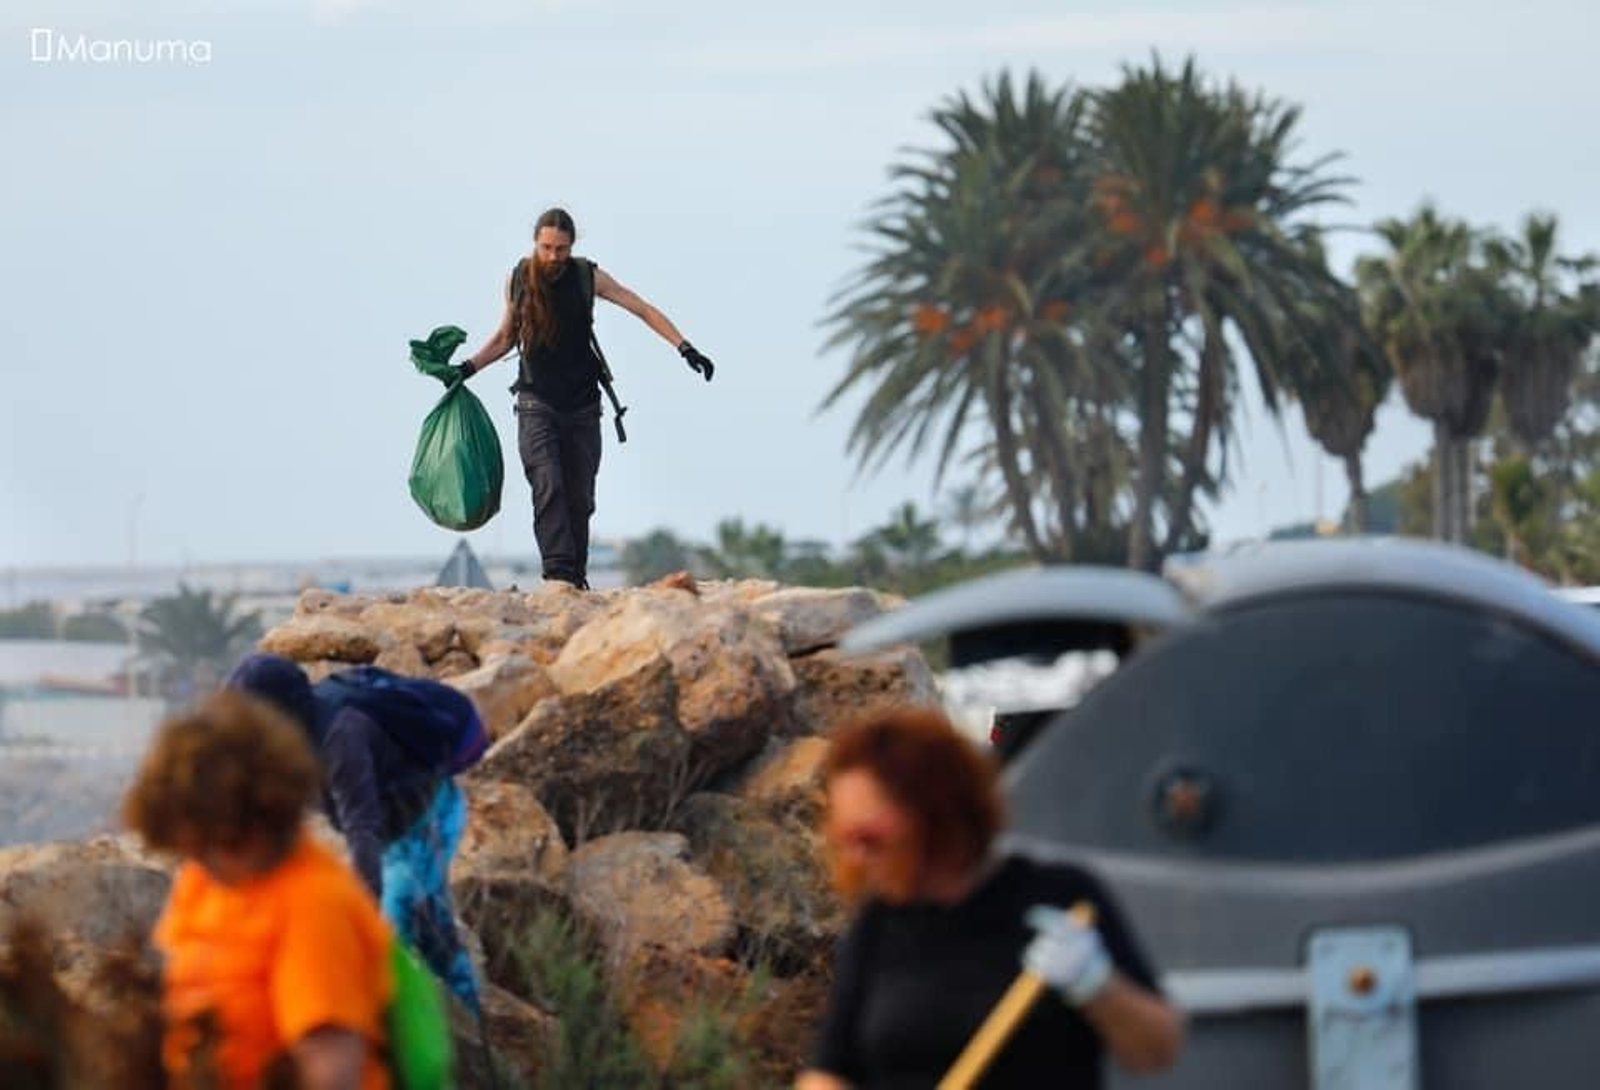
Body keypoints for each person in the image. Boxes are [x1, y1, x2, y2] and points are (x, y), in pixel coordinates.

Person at [797, 707, 1183, 1090]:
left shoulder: (1060, 897)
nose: (856, 860)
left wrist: (1098, 986)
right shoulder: (879, 922)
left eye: (871, 838)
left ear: (938, 815)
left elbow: (1158, 1051)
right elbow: (829, 1072)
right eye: (845, 841)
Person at [123, 690, 394, 1090]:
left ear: (262, 818)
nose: (201, 858)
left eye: (213, 842)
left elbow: (332, 1071)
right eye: (192, 846)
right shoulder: (206, 878)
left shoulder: (315, 904)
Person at [455, 206, 716, 590]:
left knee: (580, 496)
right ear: (535, 243)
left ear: (572, 246)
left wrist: (685, 347)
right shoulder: (518, 280)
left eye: (561, 249)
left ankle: (575, 580)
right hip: (535, 402)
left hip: (582, 405)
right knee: (548, 483)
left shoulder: (586, 276)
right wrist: (465, 370)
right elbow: (505, 338)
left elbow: (640, 307)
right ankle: (558, 575)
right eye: (546, 247)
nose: (552, 257)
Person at [224, 652, 481, 1014]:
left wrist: (360, 916)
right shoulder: (289, 742)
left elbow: (363, 827)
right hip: (392, 831)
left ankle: (474, 1024)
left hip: (428, 819)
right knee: (413, 924)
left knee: (399, 928)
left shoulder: (341, 738)